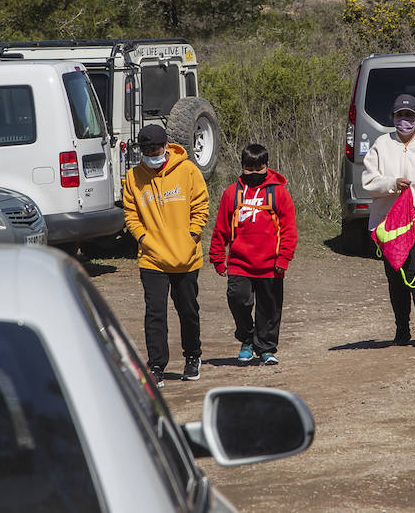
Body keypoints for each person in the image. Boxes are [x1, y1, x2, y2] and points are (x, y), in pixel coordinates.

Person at [122, 123, 210, 386]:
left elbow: (201, 205)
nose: (151, 153)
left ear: (165, 146)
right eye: (146, 150)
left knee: (188, 310)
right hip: (152, 257)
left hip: (185, 256)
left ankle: (193, 356)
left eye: (155, 148)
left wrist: (192, 235)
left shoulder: (187, 170)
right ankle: (157, 366)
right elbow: (131, 214)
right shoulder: (133, 177)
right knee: (155, 313)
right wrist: (143, 238)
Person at [360, 93, 415, 348]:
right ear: (393, 118)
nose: (404, 120)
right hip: (389, 226)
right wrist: (391, 184)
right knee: (396, 276)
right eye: (400, 115)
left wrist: (410, 206)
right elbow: (369, 183)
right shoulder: (380, 145)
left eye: (409, 116)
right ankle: (401, 328)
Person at [208, 143, 299, 366]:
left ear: (267, 166)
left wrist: (283, 258)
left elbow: (289, 230)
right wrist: (218, 258)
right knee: (238, 299)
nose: (254, 173)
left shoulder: (279, 192)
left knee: (269, 308)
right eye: (249, 169)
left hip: (271, 265)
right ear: (242, 167)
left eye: (259, 169)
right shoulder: (231, 193)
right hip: (240, 263)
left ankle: (266, 347)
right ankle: (247, 338)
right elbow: (221, 228)